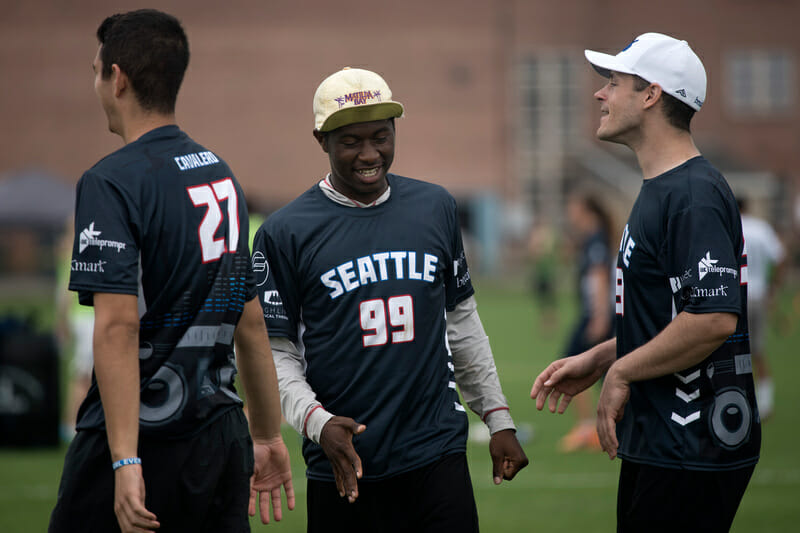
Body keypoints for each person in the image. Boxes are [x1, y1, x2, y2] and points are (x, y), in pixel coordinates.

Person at [253, 67, 528, 533]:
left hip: (435, 452)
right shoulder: (285, 231)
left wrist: (497, 417)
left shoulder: (435, 207)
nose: (369, 154)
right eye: (350, 142)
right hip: (343, 461)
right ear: (321, 140)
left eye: (381, 136)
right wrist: (318, 424)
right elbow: (274, 355)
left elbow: (461, 324)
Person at [49, 10, 293, 533]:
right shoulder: (221, 173)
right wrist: (269, 436)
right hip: (222, 440)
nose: (95, 85)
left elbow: (116, 327)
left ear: (118, 78)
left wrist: (123, 460)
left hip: (145, 441)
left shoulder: (109, 182)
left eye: (95, 71)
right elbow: (249, 321)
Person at [531, 33, 760, 532]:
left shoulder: (692, 194)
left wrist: (622, 373)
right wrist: (604, 356)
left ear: (651, 95)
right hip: (663, 441)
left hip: (691, 444)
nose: (600, 94)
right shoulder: (662, 188)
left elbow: (713, 318)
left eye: (613, 82)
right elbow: (673, 317)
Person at [556, 193, 615, 452]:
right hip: (595, 312)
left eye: (573, 207)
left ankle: (588, 428)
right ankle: (602, 426)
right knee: (606, 370)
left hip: (596, 313)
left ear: (586, 209)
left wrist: (600, 316)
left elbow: (600, 275)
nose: (570, 213)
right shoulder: (592, 238)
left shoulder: (596, 239)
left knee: (572, 363)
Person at [738, 197, 785, 420]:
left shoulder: (730, 227)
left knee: (735, 351)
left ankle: (740, 400)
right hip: (758, 295)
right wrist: (773, 288)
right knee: (758, 350)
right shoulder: (761, 228)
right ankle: (765, 404)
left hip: (737, 296)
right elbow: (780, 257)